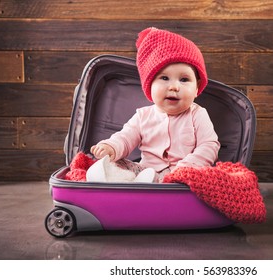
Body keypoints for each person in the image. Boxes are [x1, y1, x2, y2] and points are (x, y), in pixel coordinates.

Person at [89, 27, 220, 182]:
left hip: (184, 175)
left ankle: (141, 183)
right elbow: (125, 137)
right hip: (145, 170)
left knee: (209, 175)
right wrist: (112, 147)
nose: (174, 87)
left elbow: (209, 145)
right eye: (164, 78)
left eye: (184, 80)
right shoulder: (143, 116)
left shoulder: (197, 114)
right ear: (150, 85)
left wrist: (188, 166)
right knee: (117, 163)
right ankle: (119, 176)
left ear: (197, 87)